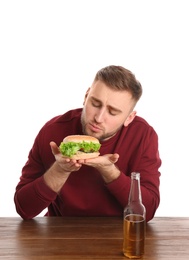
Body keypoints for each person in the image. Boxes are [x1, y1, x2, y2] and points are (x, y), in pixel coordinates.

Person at [14, 65, 161, 222]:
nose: (98, 117)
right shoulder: (53, 130)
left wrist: (110, 171)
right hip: (60, 232)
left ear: (129, 118)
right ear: (86, 96)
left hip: (119, 233)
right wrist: (60, 170)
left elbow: (148, 210)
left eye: (112, 112)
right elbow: (24, 208)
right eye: (95, 104)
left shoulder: (143, 135)